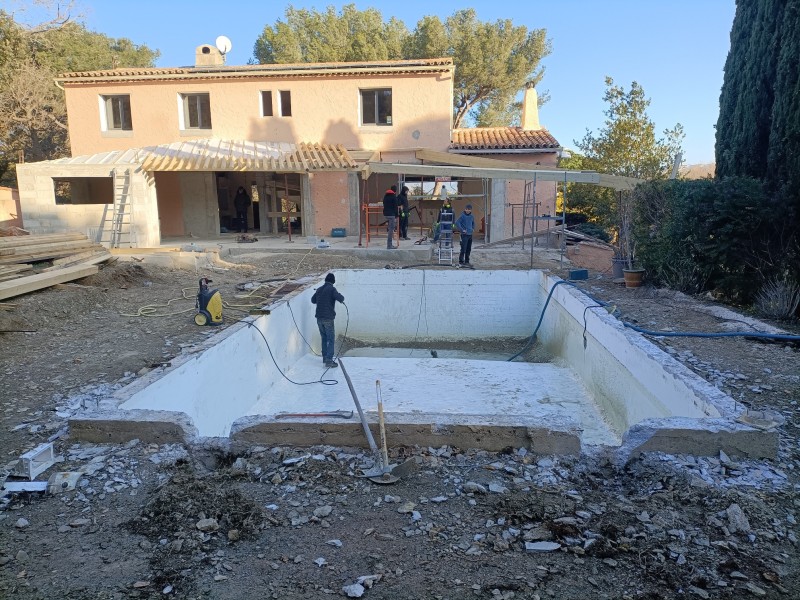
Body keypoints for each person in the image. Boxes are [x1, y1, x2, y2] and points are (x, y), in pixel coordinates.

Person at [311, 273, 345, 368]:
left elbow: (313, 300)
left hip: (319, 318)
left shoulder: (319, 289)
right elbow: (341, 298)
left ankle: (325, 358)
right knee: (330, 339)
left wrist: (320, 297)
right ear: (333, 281)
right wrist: (339, 295)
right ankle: (329, 361)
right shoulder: (332, 289)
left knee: (324, 338)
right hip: (328, 319)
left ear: (325, 280)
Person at [382, 184, 399, 249]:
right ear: (395, 190)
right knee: (391, 230)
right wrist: (397, 215)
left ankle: (389, 245)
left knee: (390, 228)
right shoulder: (393, 196)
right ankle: (389, 245)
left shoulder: (386, 196)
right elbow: (395, 207)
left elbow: (384, 203)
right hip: (391, 215)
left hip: (386, 214)